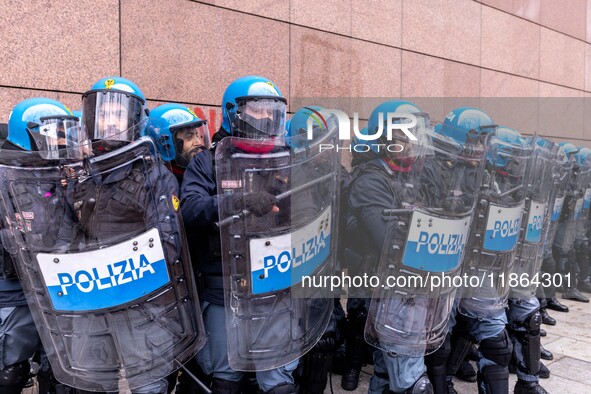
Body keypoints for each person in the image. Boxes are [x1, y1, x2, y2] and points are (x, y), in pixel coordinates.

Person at [181, 75, 301, 393]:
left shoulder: (287, 162)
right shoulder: (208, 162)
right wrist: (238, 201)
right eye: (257, 111)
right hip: (224, 287)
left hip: (274, 286)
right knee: (225, 381)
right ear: (234, 113)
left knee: (279, 385)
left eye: (272, 112)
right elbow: (191, 210)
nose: (266, 119)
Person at [434, 109, 530, 394]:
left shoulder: (488, 176)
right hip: (441, 268)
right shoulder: (433, 171)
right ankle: (443, 384)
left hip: (478, 267)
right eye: (474, 142)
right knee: (439, 339)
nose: (478, 149)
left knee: (497, 343)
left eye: (482, 143)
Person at [0, 97, 80, 393]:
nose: (62, 140)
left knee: (58, 367)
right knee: (9, 370)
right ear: (30, 132)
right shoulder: (3, 172)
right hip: (12, 288)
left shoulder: (54, 173)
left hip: (54, 285)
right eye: (55, 132)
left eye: (65, 133)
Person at [145, 103, 210, 185]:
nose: (198, 142)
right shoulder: (156, 185)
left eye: (197, 135)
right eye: (189, 137)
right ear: (164, 143)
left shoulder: (201, 175)